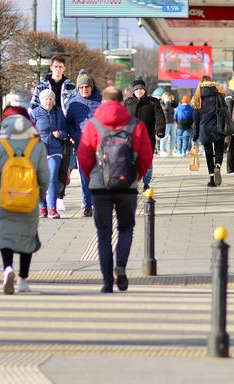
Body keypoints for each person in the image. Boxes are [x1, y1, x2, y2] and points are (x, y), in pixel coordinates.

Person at [77, 86, 153, 293]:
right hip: (126, 186)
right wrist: (135, 177)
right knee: (126, 228)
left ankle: (107, 282)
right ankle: (121, 265)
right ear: (121, 102)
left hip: (100, 187)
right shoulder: (135, 125)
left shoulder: (93, 126)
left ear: (103, 101)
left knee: (103, 233)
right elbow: (146, 156)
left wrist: (94, 176)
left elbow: (83, 156)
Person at [0, 105, 49, 294]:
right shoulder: (36, 144)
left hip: (5, 198)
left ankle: (7, 269)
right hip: (29, 197)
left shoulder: (0, 144)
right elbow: (44, 175)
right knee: (27, 237)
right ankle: (22, 279)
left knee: (6, 236)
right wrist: (40, 194)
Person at [65, 70, 102, 217]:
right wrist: (75, 136)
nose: (84, 89)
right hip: (82, 145)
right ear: (77, 88)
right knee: (85, 176)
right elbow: (68, 123)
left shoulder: (100, 100)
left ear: (91, 87)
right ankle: (87, 205)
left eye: (87, 86)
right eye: (81, 87)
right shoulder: (73, 102)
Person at [124, 77, 165, 191]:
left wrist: (160, 130)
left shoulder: (152, 102)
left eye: (141, 89)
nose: (139, 91)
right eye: (136, 90)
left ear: (145, 90)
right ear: (133, 91)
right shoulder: (128, 103)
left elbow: (159, 117)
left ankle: (146, 183)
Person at [33, 88, 68, 219]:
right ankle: (43, 208)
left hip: (55, 150)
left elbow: (66, 129)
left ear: (54, 100)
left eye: (50, 99)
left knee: (52, 177)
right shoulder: (35, 113)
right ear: (41, 100)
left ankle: (52, 208)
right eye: (45, 99)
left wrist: (60, 134)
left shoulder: (59, 112)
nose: (48, 101)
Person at [192, 76, 227, 187]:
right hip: (218, 128)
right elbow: (225, 112)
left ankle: (212, 179)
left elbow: (196, 119)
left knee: (208, 154)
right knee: (219, 151)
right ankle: (218, 166)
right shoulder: (219, 96)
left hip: (204, 130)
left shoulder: (198, 97)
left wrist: (195, 136)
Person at [159, 92, 177, 156]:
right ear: (164, 97)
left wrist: (173, 100)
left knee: (173, 137)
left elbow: (175, 105)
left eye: (169, 97)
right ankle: (162, 151)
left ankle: (171, 150)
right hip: (165, 122)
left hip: (172, 121)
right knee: (165, 137)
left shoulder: (169, 103)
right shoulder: (161, 103)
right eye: (167, 97)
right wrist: (167, 102)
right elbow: (165, 109)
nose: (168, 99)